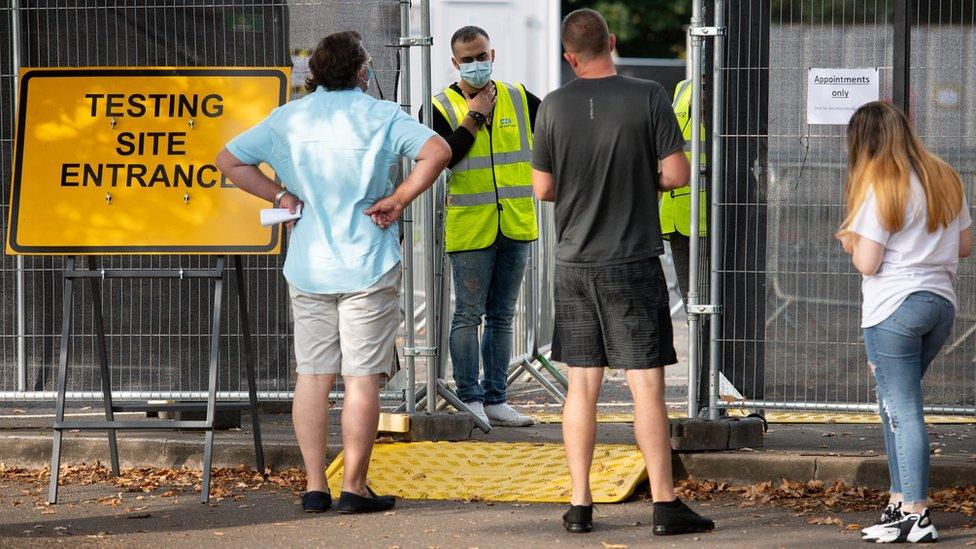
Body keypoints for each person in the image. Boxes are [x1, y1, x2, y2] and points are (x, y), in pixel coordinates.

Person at [216, 30, 451, 514]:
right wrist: (399, 198)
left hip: (308, 265)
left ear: (313, 73)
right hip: (369, 261)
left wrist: (281, 196)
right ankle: (354, 486)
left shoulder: (287, 118)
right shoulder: (382, 115)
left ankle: (312, 485)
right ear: (363, 71)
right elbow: (438, 151)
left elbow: (229, 159)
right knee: (362, 379)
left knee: (313, 376)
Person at [531, 9, 714, 536]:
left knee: (581, 387)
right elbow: (676, 172)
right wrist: (637, 180)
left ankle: (580, 504)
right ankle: (663, 504)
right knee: (645, 387)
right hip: (631, 261)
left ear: (569, 55)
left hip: (573, 263)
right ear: (610, 42)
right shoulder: (648, 96)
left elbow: (543, 188)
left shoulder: (553, 107)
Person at [836, 102, 971, 543]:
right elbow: (965, 245)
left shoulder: (879, 185)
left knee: (903, 410)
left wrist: (850, 241)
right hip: (939, 304)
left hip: (892, 308)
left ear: (861, 143)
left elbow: (869, 264)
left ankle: (915, 511)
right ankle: (899, 501)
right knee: (893, 407)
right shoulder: (943, 176)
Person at [427, 25, 540, 427]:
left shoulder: (519, 97)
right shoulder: (439, 106)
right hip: (471, 228)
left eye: (482, 56)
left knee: (502, 316)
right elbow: (444, 159)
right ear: (455, 63)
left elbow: (551, 137)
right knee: (468, 316)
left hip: (515, 223)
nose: (476, 65)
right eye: (468, 59)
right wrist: (475, 118)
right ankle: (469, 395)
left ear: (493, 55)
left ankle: (496, 397)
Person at [661, 77, 712, 415]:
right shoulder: (682, 87)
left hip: (709, 218)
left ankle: (712, 392)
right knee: (694, 309)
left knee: (709, 310)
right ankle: (699, 391)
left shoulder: (732, 85)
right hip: (680, 219)